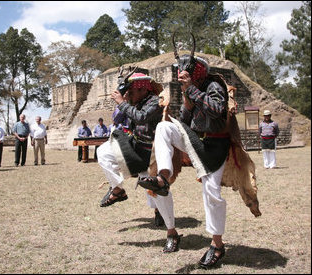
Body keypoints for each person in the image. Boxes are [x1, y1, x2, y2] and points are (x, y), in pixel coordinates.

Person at [137, 54, 233, 268]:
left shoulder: (214, 85)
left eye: (187, 71)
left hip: (215, 147)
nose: (182, 74)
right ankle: (162, 179)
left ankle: (217, 245)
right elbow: (186, 123)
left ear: (197, 71)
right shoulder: (190, 89)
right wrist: (186, 102)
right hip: (196, 140)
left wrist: (191, 90)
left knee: (212, 193)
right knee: (163, 127)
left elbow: (217, 111)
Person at [97, 72, 181, 253]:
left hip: (154, 154)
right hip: (137, 148)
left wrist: (123, 103)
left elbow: (141, 117)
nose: (129, 95)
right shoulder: (134, 102)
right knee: (102, 151)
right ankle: (117, 189)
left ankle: (172, 233)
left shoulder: (155, 102)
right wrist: (124, 102)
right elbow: (118, 118)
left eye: (132, 91)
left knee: (158, 194)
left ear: (143, 89)